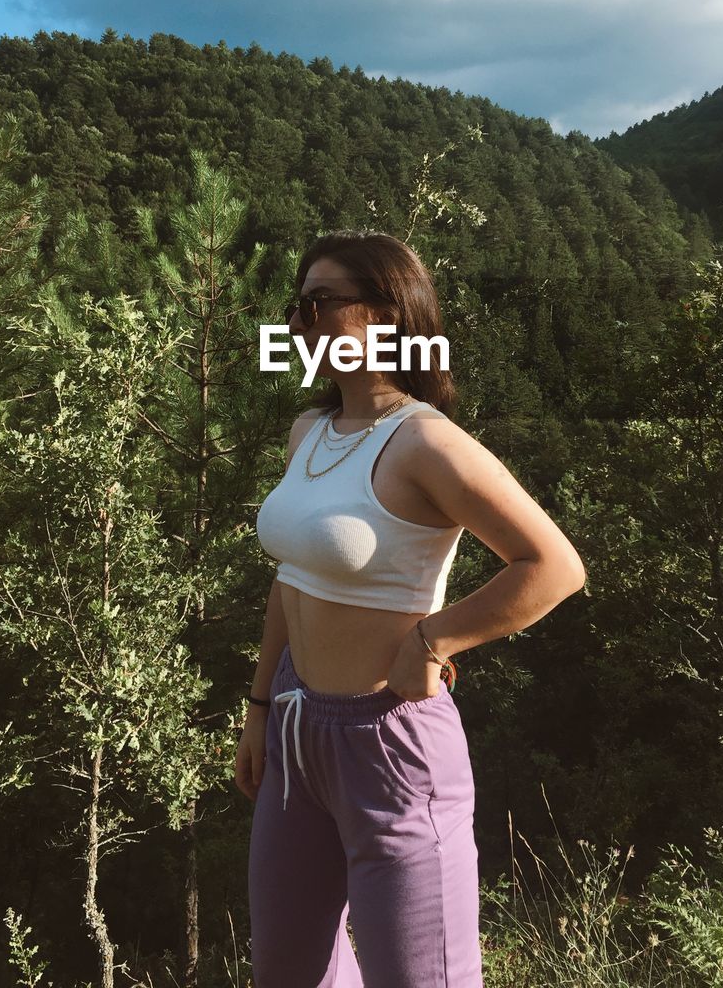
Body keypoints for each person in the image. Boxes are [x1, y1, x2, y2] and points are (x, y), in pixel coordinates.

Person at [236, 230, 586, 988]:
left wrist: (433, 641)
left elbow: (554, 565)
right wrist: (261, 703)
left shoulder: (427, 442)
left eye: (322, 303)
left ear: (389, 314)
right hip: (296, 731)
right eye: (297, 309)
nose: (302, 324)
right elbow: (293, 579)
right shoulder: (309, 432)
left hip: (390, 745)